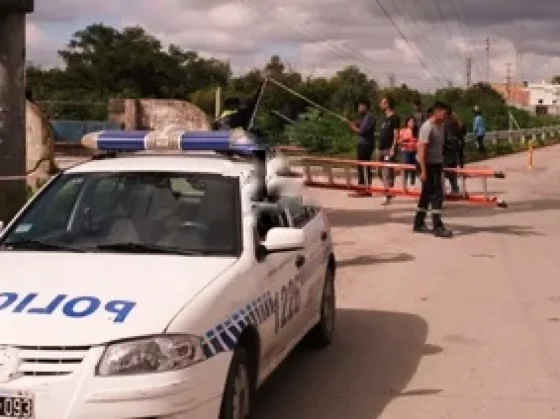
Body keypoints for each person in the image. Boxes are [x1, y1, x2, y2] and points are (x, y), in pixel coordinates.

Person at [413, 101, 453, 238]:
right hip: (426, 164)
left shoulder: (440, 126)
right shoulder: (427, 127)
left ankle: (418, 223)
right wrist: (423, 171)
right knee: (437, 193)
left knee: (426, 193)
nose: (446, 116)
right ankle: (437, 226)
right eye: (445, 113)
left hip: (436, 163)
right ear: (437, 111)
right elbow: (422, 150)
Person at [348, 99, 376, 195]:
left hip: (366, 145)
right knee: (361, 166)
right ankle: (363, 188)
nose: (359, 108)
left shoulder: (369, 117)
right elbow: (360, 125)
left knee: (363, 166)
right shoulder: (364, 117)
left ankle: (364, 189)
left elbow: (362, 131)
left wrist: (353, 128)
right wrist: (353, 123)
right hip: (363, 144)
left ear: (365, 106)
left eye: (360, 106)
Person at [378, 96, 400, 205]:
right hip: (381, 148)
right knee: (380, 172)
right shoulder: (384, 118)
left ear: (388, 104)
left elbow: (396, 134)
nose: (381, 104)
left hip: (388, 149)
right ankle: (390, 190)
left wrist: (393, 148)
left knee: (386, 171)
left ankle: (387, 194)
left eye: (383, 102)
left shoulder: (394, 118)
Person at [443, 108, 461, 194]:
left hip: (447, 149)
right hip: (454, 147)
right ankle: (455, 187)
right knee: (453, 169)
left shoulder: (445, 124)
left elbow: (445, 137)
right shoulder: (455, 122)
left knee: (446, 169)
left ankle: (447, 188)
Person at [398, 116, 418, 189]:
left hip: (414, 151)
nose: (412, 123)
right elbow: (399, 141)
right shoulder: (403, 130)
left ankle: (412, 183)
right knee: (405, 167)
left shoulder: (416, 131)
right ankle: (404, 184)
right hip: (406, 151)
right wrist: (405, 141)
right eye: (410, 122)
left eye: (413, 122)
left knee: (414, 168)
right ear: (407, 122)